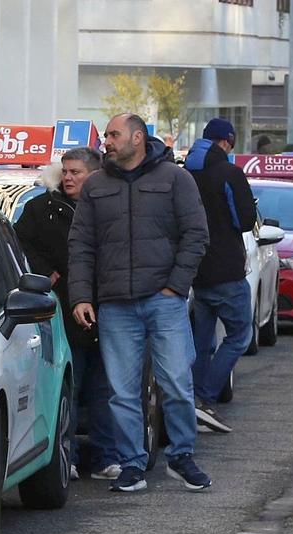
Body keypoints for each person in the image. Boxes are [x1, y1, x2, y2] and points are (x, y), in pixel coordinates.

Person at [67, 113, 210, 494]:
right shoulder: (96, 186)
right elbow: (80, 244)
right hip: (114, 305)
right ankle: (132, 464)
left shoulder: (175, 179)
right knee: (123, 392)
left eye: (113, 135)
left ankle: (181, 456)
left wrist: (175, 287)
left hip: (163, 301)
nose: (107, 142)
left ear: (137, 138)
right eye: (107, 136)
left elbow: (196, 234)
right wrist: (81, 295)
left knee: (177, 382)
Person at [18, 147, 113, 480]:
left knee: (105, 388)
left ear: (94, 174)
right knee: (67, 388)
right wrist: (44, 271)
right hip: (61, 312)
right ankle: (65, 456)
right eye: (66, 171)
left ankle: (105, 458)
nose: (69, 177)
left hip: (107, 308)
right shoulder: (40, 208)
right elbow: (20, 246)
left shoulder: (110, 206)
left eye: (77, 172)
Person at [182, 118, 256, 435]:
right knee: (240, 335)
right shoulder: (229, 173)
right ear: (226, 142)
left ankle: (191, 397)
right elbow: (244, 221)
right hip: (226, 268)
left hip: (195, 270)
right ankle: (203, 396)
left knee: (201, 341)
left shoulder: (184, 173)